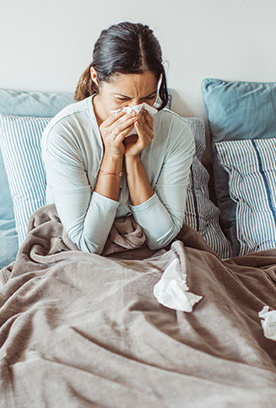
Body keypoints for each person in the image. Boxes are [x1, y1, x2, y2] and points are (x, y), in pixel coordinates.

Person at [41, 22, 194, 254]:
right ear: (95, 77)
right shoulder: (65, 133)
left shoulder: (176, 132)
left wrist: (133, 160)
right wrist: (113, 155)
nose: (136, 110)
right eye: (122, 99)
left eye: (149, 97)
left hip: (151, 254)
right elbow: (87, 244)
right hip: (77, 256)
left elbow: (161, 237)